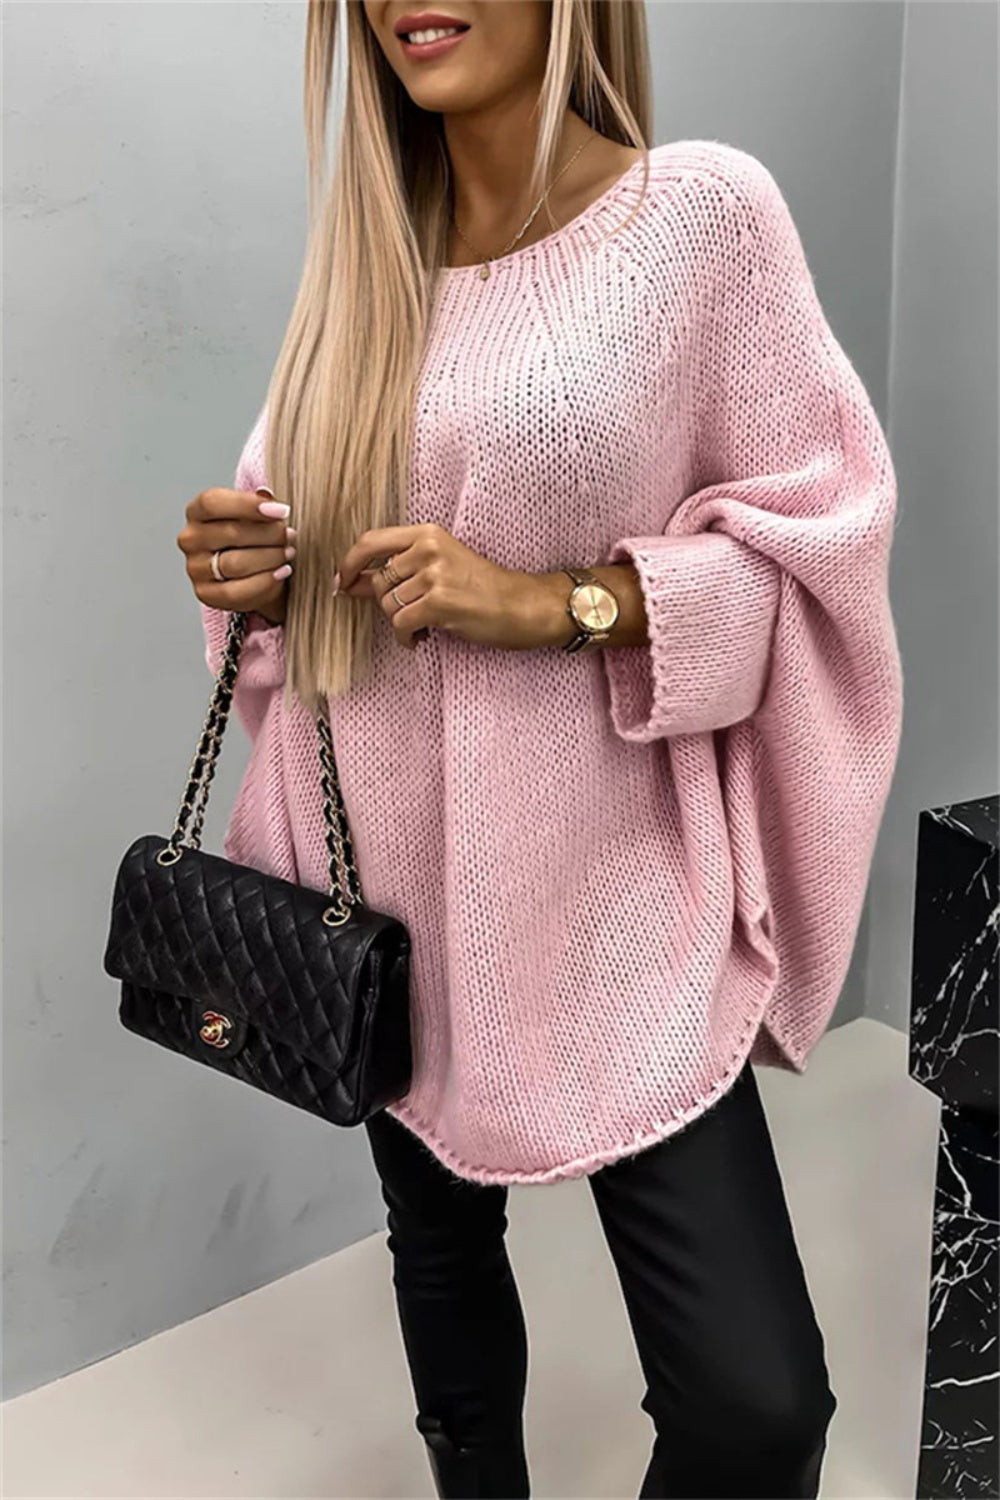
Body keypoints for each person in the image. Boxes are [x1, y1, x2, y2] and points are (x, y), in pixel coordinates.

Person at [176, 2, 904, 1494]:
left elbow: (815, 560)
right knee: (440, 1261)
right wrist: (243, 572)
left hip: (612, 899)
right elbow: (293, 584)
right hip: (384, 896)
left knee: (756, 1405)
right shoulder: (368, 266)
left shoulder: (697, 218)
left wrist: (556, 602)